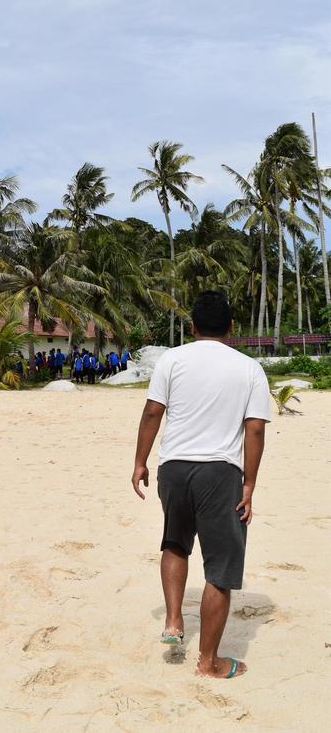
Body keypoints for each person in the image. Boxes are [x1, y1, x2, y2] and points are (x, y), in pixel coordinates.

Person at [131, 290, 270, 680]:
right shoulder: (248, 368)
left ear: (192, 327)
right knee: (220, 569)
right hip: (219, 472)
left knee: (175, 542)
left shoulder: (171, 360)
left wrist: (140, 461)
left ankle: (174, 622)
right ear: (231, 327)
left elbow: (152, 411)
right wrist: (250, 484)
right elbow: (254, 428)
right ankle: (208, 663)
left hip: (173, 468)